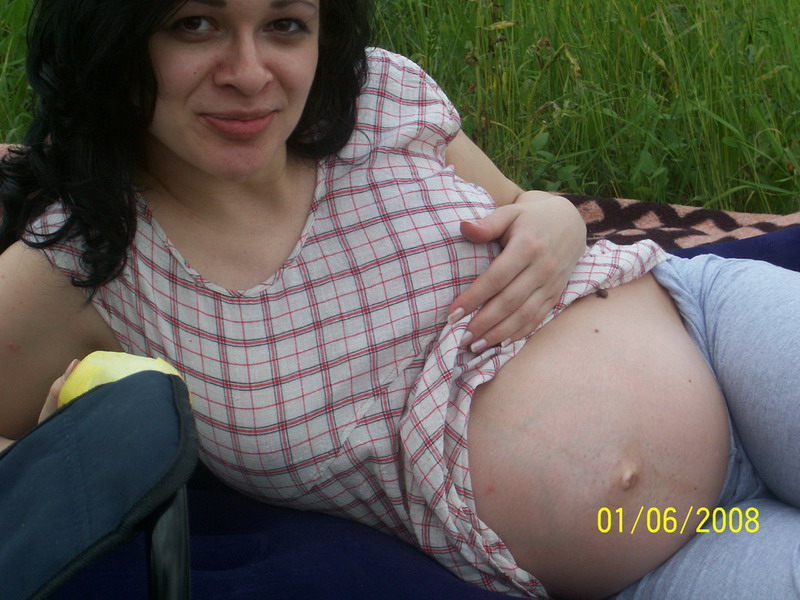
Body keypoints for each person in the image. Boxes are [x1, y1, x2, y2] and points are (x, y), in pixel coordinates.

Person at [0, 0, 797, 598]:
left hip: (711, 333)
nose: (249, 72)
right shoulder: (85, 260)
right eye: (196, 24)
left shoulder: (373, 97)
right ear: (115, 37)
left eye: (285, 25)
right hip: (653, 555)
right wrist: (76, 455)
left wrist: (555, 219)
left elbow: (523, 207)